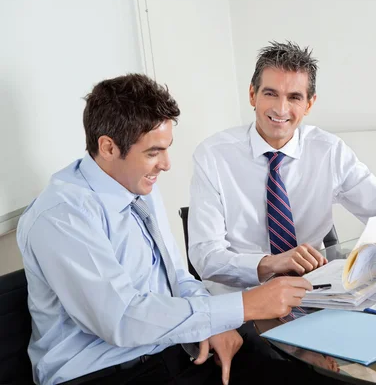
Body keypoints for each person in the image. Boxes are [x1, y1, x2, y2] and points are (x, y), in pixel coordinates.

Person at [16, 74, 345, 385]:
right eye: (153, 152)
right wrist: (245, 306)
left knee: (302, 374)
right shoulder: (62, 217)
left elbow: (178, 278)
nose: (166, 164)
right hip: (103, 372)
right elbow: (123, 320)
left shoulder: (138, 186)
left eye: (166, 147)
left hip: (167, 350)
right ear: (108, 148)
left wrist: (214, 323)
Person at [188, 41, 376, 296]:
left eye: (294, 97)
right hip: (241, 298)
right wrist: (270, 263)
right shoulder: (214, 155)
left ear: (309, 104)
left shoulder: (328, 151)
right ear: (253, 94)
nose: (280, 109)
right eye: (270, 93)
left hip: (311, 293)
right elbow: (204, 256)